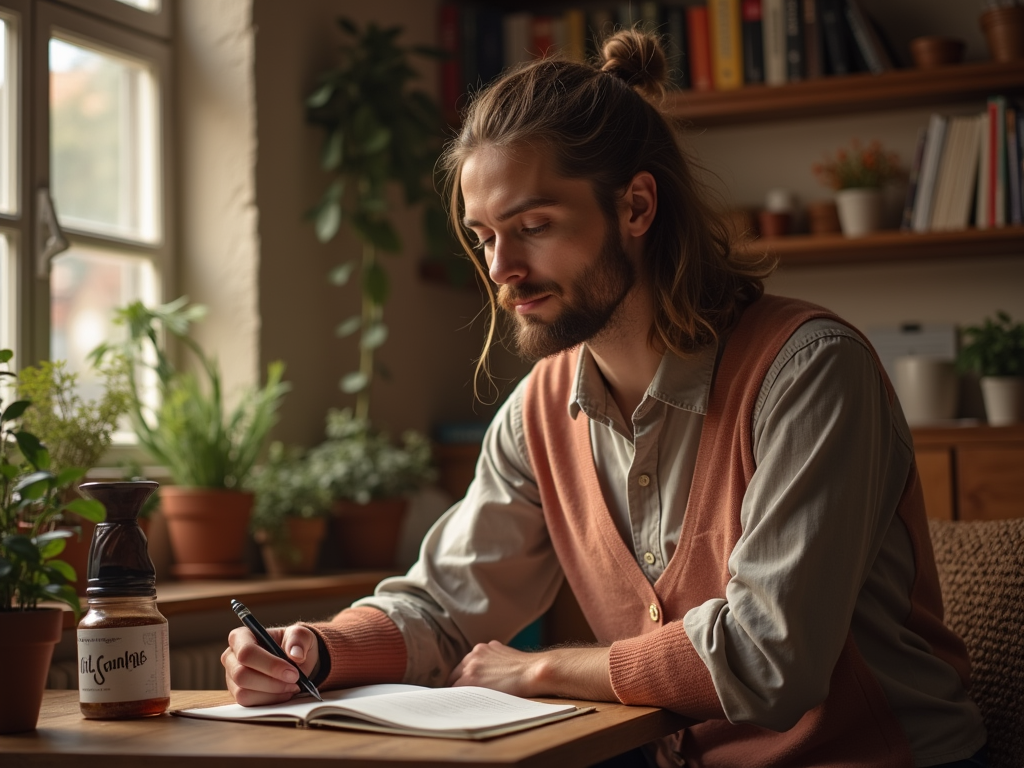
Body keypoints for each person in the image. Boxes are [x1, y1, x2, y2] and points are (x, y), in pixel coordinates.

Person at [223, 29, 987, 767]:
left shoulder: (812, 373)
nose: (501, 269)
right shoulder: (537, 411)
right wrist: (317, 648)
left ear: (636, 208)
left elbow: (767, 659)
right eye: (484, 235)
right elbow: (447, 603)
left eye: (533, 227)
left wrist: (544, 670)